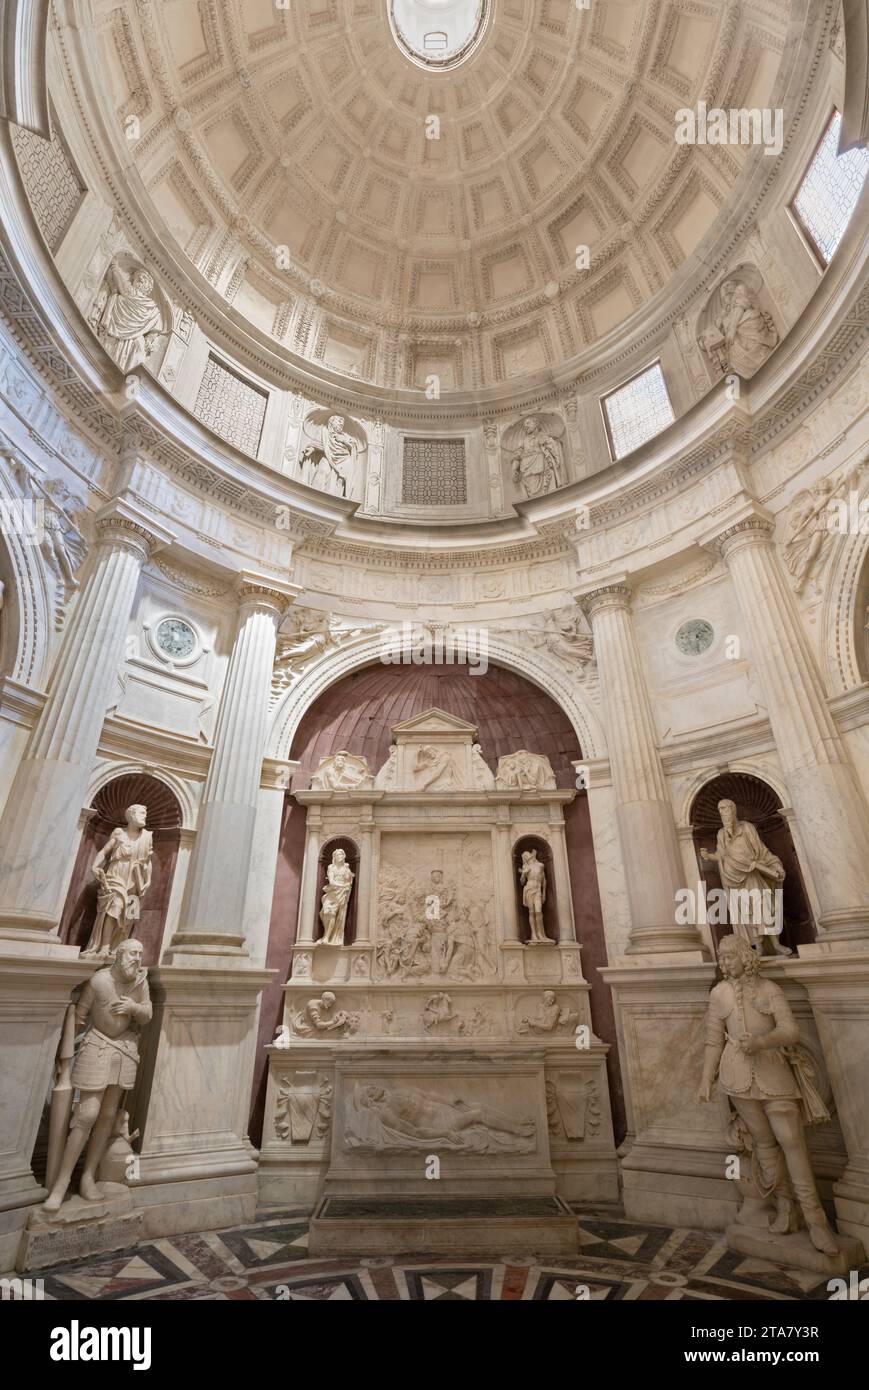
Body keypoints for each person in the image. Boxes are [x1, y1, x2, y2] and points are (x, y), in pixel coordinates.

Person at [697, 934, 837, 1256]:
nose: (723, 963)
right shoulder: (719, 994)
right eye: (720, 958)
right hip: (737, 1076)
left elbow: (791, 1031)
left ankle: (817, 1220)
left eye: (728, 957)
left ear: (744, 957)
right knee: (764, 1143)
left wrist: (762, 1042)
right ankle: (786, 1206)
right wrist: (706, 1078)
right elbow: (713, 1041)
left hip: (773, 1071)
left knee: (791, 1140)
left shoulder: (769, 989)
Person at [43, 939, 151, 1212]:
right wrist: (62, 1053)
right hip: (97, 1044)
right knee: (88, 1114)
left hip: (124, 1047)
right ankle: (61, 1182)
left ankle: (88, 1177)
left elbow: (147, 1013)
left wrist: (133, 1008)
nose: (137, 959)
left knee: (107, 1115)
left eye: (140, 954)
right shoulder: (99, 981)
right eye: (132, 953)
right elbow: (79, 1016)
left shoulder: (140, 982)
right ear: (119, 955)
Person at [700, 799, 790, 955]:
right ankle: (758, 947)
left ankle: (776, 944)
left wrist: (773, 866)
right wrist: (708, 856)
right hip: (732, 879)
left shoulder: (747, 828)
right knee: (746, 913)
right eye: (719, 810)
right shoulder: (721, 834)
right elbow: (721, 854)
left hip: (751, 874)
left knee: (764, 907)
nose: (722, 812)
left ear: (733, 810)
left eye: (725, 809)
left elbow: (760, 850)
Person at [84, 805, 153, 957]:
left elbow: (147, 862)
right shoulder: (119, 833)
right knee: (114, 907)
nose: (145, 817)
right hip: (117, 875)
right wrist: (95, 866)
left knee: (130, 915)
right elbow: (104, 851)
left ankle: (118, 949)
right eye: (142, 813)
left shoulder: (147, 837)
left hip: (136, 880)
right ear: (131, 815)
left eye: (145, 814)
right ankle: (104, 946)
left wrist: (147, 880)